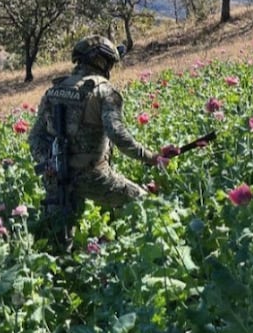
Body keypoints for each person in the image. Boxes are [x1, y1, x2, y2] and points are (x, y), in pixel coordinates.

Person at [28, 34, 164, 251]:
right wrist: (150, 157)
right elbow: (118, 135)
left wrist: (51, 165)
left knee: (58, 242)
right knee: (144, 204)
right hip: (92, 175)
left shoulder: (53, 91)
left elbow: (35, 137)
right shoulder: (103, 91)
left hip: (55, 178)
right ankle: (134, 256)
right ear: (102, 62)